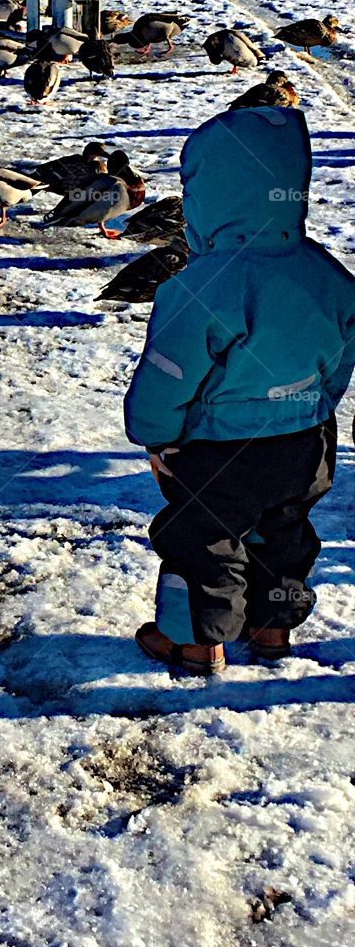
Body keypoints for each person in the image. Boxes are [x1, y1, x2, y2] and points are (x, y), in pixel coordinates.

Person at [124, 104, 355, 675]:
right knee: (284, 533)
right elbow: (343, 352)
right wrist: (316, 405)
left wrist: (153, 436)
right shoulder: (324, 272)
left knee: (203, 541)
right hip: (304, 441)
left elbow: (169, 374)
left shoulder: (203, 285)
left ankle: (196, 642)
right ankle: (272, 628)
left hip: (218, 450)